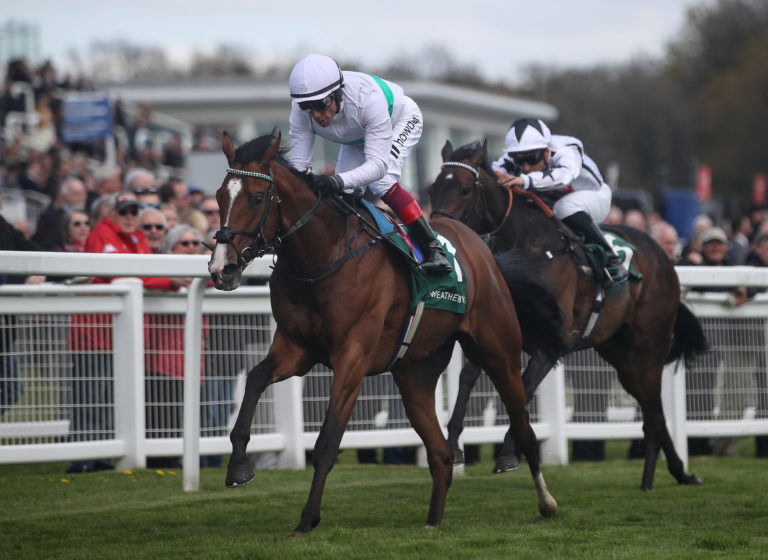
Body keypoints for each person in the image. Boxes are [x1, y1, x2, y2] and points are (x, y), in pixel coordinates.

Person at [287, 54, 451, 274]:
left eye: (322, 104)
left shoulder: (368, 99)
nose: (316, 114)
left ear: (337, 93)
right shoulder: (300, 112)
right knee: (344, 194)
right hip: (359, 137)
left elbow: (378, 165)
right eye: (308, 107)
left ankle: (433, 248)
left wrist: (335, 180)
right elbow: (298, 167)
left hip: (400, 120)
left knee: (382, 182)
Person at [67, 193, 191, 473]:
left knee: (108, 398)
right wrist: (170, 281)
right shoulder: (103, 233)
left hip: (116, 334)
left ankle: (98, 456)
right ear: (112, 213)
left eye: (134, 212)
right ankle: (83, 459)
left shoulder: (134, 238)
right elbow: (123, 272)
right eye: (125, 211)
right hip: (93, 332)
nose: (130, 217)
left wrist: (165, 280)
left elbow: (144, 270)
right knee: (91, 398)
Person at [494, 118, 627, 286]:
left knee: (563, 207)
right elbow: (493, 174)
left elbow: (564, 176)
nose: (526, 166)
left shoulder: (567, 149)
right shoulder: (512, 158)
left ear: (547, 152)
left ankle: (612, 260)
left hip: (594, 196)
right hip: (554, 202)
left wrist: (524, 180)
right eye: (519, 161)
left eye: (532, 159)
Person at [143, 224, 205, 468]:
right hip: (161, 357)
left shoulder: (205, 269)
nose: (191, 248)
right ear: (172, 248)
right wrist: (172, 281)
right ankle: (162, 459)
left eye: (194, 243)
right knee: (162, 410)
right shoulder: (159, 266)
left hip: (192, 356)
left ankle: (177, 457)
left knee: (185, 411)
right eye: (184, 243)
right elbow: (144, 280)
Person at [0, 214, 46, 417]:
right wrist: (23, 278)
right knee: (12, 390)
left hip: (4, 331)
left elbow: (34, 252)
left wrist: (31, 273)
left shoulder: (3, 225)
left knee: (12, 391)